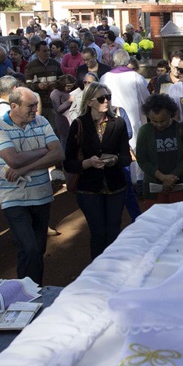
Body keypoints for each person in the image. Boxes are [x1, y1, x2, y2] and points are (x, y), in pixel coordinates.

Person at [0, 87, 64, 284]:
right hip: (14, 199)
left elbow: (58, 154)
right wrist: (43, 150)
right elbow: (14, 159)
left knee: (38, 249)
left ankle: (32, 289)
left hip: (42, 195)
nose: (35, 110)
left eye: (36, 105)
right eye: (31, 106)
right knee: (28, 248)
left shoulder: (42, 121)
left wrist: (22, 169)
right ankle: (27, 293)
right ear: (14, 106)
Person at [63, 82, 131, 259]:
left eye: (108, 97)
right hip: (88, 188)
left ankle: (115, 271)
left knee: (114, 231)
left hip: (116, 185)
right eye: (101, 98)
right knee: (98, 232)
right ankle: (98, 273)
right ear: (90, 102)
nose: (106, 101)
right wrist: (87, 163)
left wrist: (115, 160)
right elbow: (68, 163)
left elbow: (126, 157)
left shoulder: (119, 123)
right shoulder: (79, 125)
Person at [135, 93, 183, 211]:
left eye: (163, 121)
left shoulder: (182, 128)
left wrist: (172, 177)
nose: (158, 125)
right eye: (153, 121)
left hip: (182, 187)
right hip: (155, 189)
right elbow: (142, 159)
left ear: (171, 114)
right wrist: (163, 177)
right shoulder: (145, 131)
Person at [25, 42, 64, 130]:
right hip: (39, 105)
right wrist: (38, 86)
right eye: (44, 51)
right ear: (37, 52)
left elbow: (62, 80)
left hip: (53, 104)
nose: (47, 53)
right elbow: (27, 85)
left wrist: (55, 84)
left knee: (55, 129)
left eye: (49, 51)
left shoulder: (55, 64)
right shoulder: (31, 66)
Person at [50, 75, 78, 147]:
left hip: (73, 119)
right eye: (68, 87)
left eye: (71, 87)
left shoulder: (72, 91)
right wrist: (69, 101)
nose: (69, 89)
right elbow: (57, 110)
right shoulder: (55, 93)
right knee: (64, 141)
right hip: (63, 121)